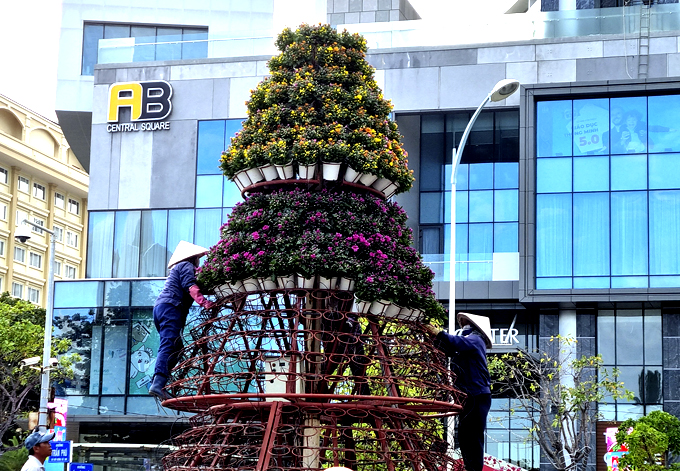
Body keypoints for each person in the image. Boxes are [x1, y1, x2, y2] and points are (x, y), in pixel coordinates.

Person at [425, 312, 493, 471]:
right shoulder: (467, 343)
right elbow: (448, 348)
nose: (464, 327)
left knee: (473, 436)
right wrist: (433, 336)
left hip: (478, 395)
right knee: (464, 435)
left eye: (467, 324)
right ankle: (470, 467)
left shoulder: (476, 340)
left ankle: (474, 469)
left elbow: (456, 342)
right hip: (467, 396)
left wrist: (439, 333)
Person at [150, 241, 215, 400]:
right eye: (198, 258)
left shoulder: (177, 269)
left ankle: (161, 381)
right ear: (193, 257)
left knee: (177, 346)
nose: (199, 261)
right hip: (171, 307)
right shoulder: (186, 265)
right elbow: (190, 286)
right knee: (169, 343)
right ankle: (158, 383)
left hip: (162, 308)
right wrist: (204, 302)